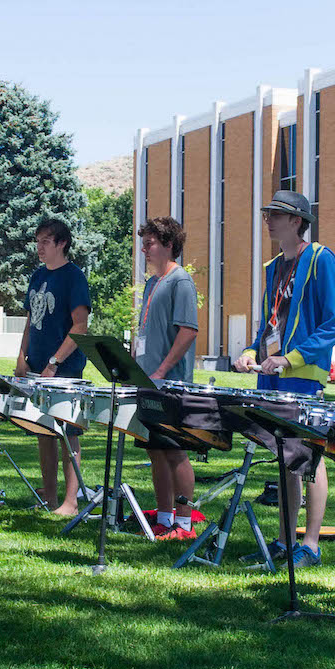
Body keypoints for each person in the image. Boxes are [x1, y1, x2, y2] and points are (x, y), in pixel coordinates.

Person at [233, 190, 335, 568]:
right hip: (272, 373)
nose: (268, 219)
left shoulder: (320, 259)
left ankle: (310, 545)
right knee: (284, 459)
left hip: (302, 375)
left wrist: (291, 359)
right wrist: (252, 352)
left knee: (309, 459)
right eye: (267, 212)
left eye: (276, 214)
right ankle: (283, 542)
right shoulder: (273, 267)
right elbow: (271, 323)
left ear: (297, 221)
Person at [13, 217, 90, 516]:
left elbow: (80, 326)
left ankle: (70, 503)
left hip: (64, 370)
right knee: (43, 432)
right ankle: (49, 498)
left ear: (62, 243)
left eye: (45, 241)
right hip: (36, 368)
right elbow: (31, 321)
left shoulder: (74, 277)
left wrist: (55, 363)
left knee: (68, 434)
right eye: (37, 241)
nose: (39, 247)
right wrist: (22, 355)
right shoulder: (37, 276)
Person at [135, 216, 200, 540]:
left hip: (171, 385)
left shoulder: (181, 282)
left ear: (169, 245)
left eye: (150, 243)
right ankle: (163, 517)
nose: (144, 249)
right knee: (154, 450)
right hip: (147, 384)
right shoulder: (151, 283)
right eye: (143, 242)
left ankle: (185, 523)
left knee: (175, 451)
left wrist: (161, 371)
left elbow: (188, 331)